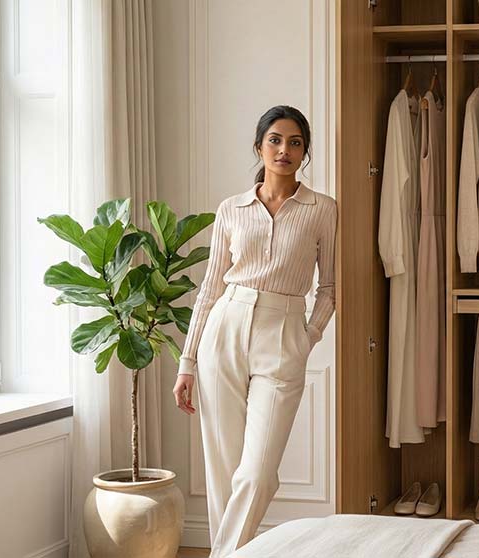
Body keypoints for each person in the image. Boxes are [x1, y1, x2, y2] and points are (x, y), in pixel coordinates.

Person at [172, 105, 336, 556]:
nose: (284, 150)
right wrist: (187, 362)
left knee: (258, 471)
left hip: (283, 333)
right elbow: (210, 288)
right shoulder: (232, 209)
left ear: (305, 152)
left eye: (295, 142)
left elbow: (330, 288)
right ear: (259, 146)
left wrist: (306, 337)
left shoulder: (322, 209)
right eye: (275, 140)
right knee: (224, 470)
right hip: (225, 326)